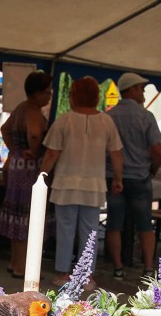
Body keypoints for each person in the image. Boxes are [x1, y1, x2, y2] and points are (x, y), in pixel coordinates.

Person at [41, 76, 123, 288]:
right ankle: (87, 277)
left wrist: (41, 176)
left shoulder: (64, 120)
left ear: (74, 96)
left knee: (65, 229)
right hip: (94, 185)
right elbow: (116, 153)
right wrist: (118, 178)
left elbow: (51, 154)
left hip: (65, 183)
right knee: (90, 232)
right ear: (96, 96)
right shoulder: (106, 121)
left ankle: (63, 273)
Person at [107, 72, 161, 279]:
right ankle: (148, 268)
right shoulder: (145, 116)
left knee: (114, 224)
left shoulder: (110, 116)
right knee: (145, 224)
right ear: (131, 90)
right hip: (140, 176)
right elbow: (157, 150)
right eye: (141, 89)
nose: (143, 93)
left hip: (114, 176)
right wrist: (153, 169)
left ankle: (118, 268)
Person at [0, 71, 53, 278]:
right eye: (47, 92)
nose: (49, 97)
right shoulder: (32, 110)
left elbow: (4, 129)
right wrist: (35, 151)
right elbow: (35, 133)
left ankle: (15, 262)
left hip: (17, 164)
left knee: (16, 215)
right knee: (28, 216)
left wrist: (15, 150)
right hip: (30, 168)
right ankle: (22, 266)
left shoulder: (21, 107)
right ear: (37, 93)